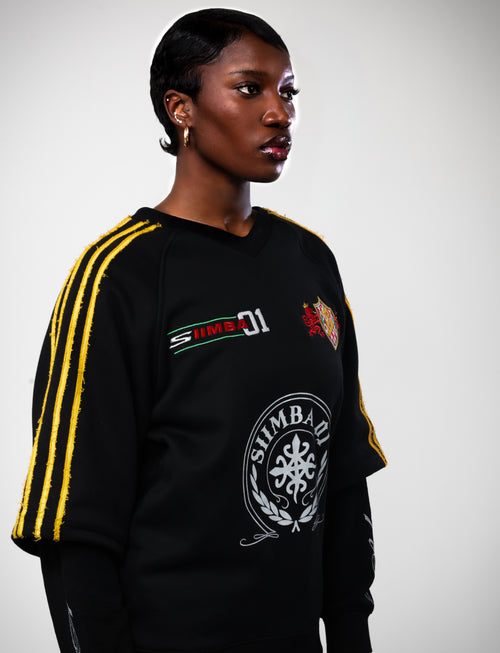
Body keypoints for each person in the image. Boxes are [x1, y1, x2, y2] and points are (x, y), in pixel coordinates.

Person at [12, 8, 387, 653]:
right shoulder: (118, 276)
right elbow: (75, 526)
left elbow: (342, 468)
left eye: (287, 91)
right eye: (250, 89)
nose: (280, 113)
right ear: (180, 108)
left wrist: (351, 632)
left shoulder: (308, 260)